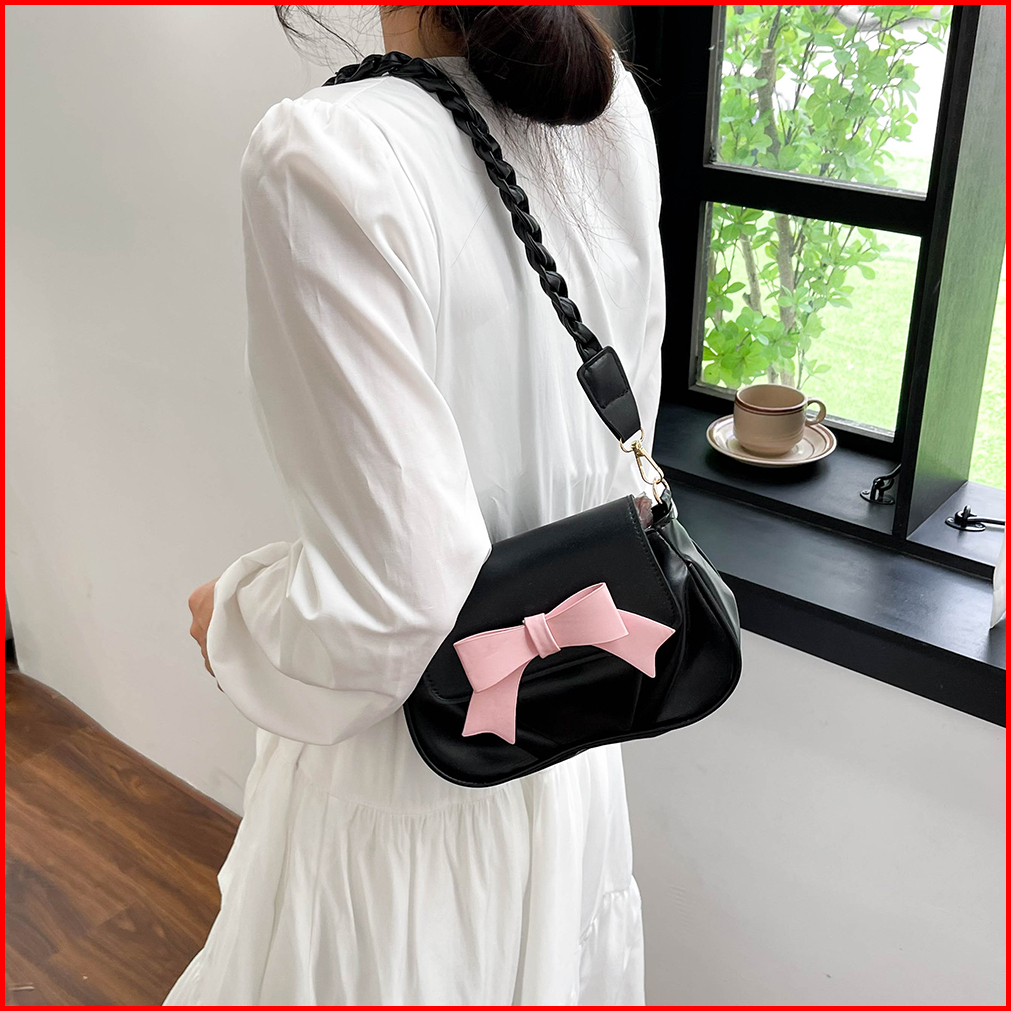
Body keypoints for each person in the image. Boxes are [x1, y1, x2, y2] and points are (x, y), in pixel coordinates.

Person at [166, 5, 664, 1005]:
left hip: (413, 777)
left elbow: (391, 601)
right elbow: (619, 445)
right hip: (565, 736)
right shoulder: (608, 111)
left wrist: (236, 618)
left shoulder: (325, 152)